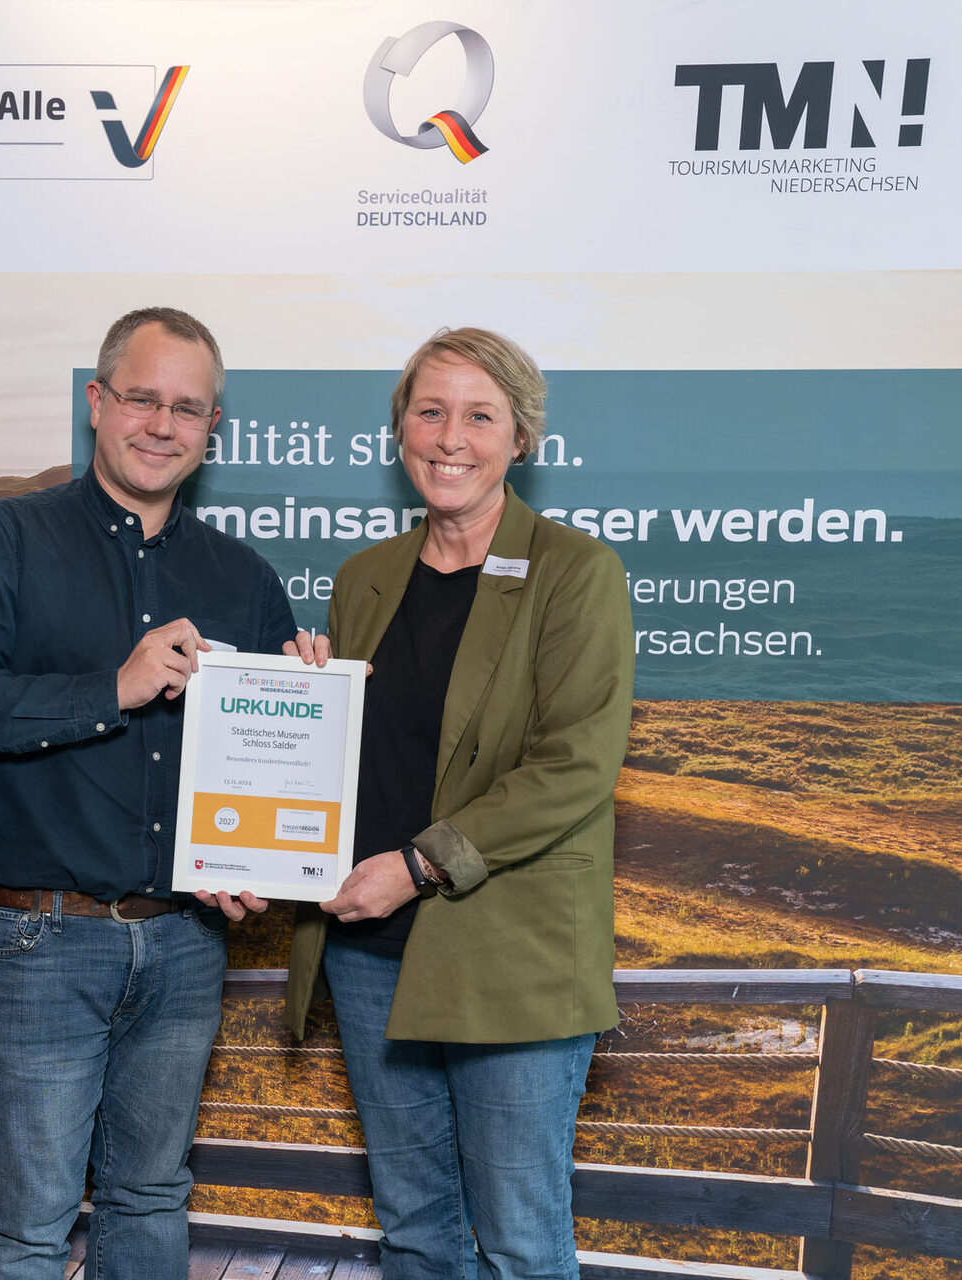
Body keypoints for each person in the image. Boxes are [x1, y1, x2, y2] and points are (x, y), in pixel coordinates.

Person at [0, 307, 307, 1280]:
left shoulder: (244, 577)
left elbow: (265, 762)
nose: (161, 425)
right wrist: (114, 688)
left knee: (150, 1197)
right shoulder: (6, 539)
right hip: (34, 940)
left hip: (184, 943)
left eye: (187, 407)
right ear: (96, 402)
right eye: (142, 398)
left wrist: (308, 701)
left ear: (212, 426)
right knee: (28, 1221)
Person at [283, 327, 634, 1279]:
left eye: (480, 416)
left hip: (508, 952)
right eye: (430, 411)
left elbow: (574, 764)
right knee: (413, 1229)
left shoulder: (575, 571)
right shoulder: (364, 577)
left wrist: (416, 865)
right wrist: (303, 698)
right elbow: (356, 750)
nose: (450, 438)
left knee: (520, 1242)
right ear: (399, 427)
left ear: (521, 438)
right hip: (369, 952)